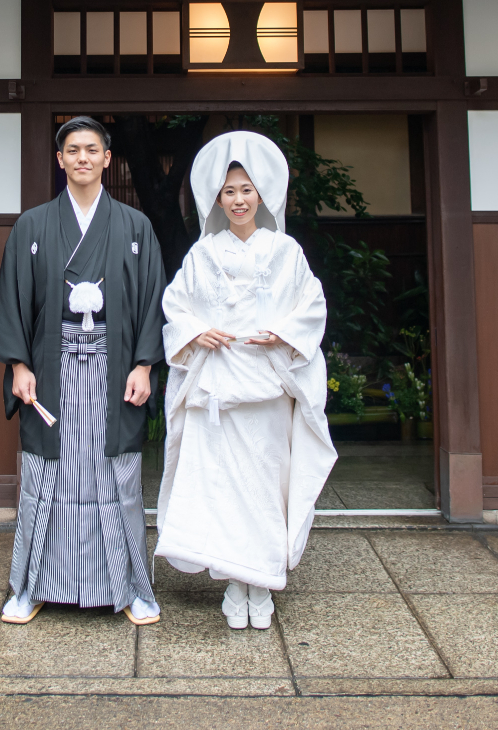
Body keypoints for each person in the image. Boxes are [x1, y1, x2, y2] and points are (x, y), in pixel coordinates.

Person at [0, 116, 166, 626]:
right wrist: (19, 365)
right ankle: (31, 587)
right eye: (72, 150)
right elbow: (14, 300)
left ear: (108, 159)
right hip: (50, 370)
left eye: (92, 150)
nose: (82, 158)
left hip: (116, 370)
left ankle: (131, 589)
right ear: (59, 159)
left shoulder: (135, 227)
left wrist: (145, 365)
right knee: (45, 479)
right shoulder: (33, 226)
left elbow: (153, 301)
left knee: (117, 479)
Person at [154, 130, 338, 630]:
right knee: (225, 491)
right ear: (217, 197)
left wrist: (281, 333)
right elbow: (176, 306)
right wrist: (197, 330)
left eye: (247, 190)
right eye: (229, 191)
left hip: (267, 388)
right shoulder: (203, 254)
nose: (238, 200)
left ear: (262, 194)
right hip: (218, 388)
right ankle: (238, 582)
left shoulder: (286, 251)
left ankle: (263, 579)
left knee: (264, 487)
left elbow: (311, 306)